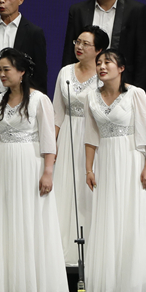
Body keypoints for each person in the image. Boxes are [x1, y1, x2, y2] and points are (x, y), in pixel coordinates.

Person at [0, 49, 69, 292]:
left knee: (30, 218)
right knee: (5, 219)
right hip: (4, 164)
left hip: (30, 164)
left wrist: (48, 171)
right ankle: (3, 285)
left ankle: (32, 285)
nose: (2, 74)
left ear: (22, 72)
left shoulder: (40, 100)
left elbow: (49, 140)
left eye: (7, 69)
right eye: (0, 69)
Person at [83, 48, 146, 292]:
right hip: (106, 162)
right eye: (99, 62)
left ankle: (132, 286)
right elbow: (90, 136)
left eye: (108, 62)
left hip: (131, 161)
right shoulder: (91, 97)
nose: (102, 66)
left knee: (130, 218)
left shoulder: (135, 94)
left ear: (121, 68)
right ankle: (109, 284)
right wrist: (89, 169)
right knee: (108, 219)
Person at [51, 26, 107, 265]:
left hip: (94, 137)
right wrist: (52, 146)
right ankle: (62, 248)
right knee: (65, 188)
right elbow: (56, 112)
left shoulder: (104, 74)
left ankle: (94, 249)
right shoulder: (65, 71)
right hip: (67, 137)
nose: (79, 47)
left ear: (99, 50)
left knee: (88, 192)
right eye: (78, 42)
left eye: (86, 43)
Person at [61, 0, 146, 90]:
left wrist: (138, 92)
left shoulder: (135, 11)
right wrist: (67, 85)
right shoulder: (78, 11)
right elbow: (70, 52)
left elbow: (142, 57)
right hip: (84, 83)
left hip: (121, 84)